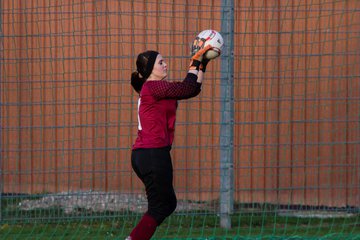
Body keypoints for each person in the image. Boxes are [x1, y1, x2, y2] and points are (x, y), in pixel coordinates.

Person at [126, 44, 213, 240]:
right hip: (151, 154)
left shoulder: (156, 89)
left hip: (151, 154)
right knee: (161, 206)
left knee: (167, 204)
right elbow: (188, 87)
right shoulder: (152, 87)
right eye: (161, 62)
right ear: (150, 71)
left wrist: (203, 63)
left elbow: (193, 89)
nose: (165, 65)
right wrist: (195, 61)